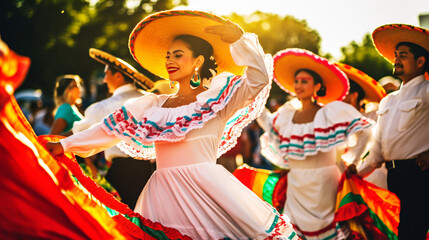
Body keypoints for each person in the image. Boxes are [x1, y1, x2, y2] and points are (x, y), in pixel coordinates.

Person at [46, 10, 298, 240]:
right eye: (168, 55)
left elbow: (259, 79)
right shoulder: (152, 105)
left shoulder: (217, 98)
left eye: (178, 55)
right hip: (162, 196)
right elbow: (109, 129)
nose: (170, 60)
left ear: (198, 61)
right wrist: (65, 145)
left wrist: (240, 39)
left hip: (208, 193)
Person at [257, 48, 373, 239]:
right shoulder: (287, 115)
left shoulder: (331, 112)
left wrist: (354, 159)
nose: (299, 85)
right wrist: (254, 101)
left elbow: (366, 130)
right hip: (296, 185)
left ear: (317, 86)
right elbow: (269, 126)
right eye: (296, 81)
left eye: (304, 81)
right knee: (293, 231)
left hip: (325, 184)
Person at [356, 24, 429, 240]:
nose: (396, 59)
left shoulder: (426, 91)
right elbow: (377, 147)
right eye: (396, 55)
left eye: (403, 56)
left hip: (419, 175)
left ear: (420, 61)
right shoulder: (388, 100)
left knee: (410, 233)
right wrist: (356, 171)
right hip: (393, 177)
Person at [72, 48, 155, 209]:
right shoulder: (152, 99)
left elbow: (81, 134)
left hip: (122, 172)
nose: (104, 80)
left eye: (106, 74)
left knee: (123, 223)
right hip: (149, 171)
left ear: (118, 76)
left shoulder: (105, 106)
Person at [335, 63, 388, 189]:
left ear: (354, 95)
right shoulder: (335, 119)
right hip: (341, 176)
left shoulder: (374, 116)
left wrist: (357, 168)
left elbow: (377, 148)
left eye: (343, 92)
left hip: (371, 175)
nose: (338, 97)